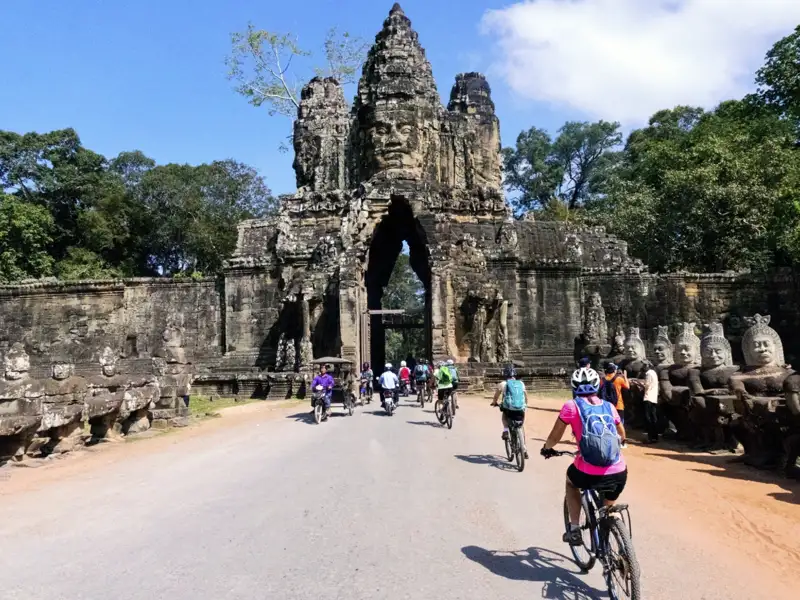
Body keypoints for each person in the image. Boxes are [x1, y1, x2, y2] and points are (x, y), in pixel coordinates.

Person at [541, 366, 627, 546]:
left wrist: (547, 448)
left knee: (571, 482)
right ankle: (621, 545)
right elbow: (622, 434)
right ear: (597, 385)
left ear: (574, 386)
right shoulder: (609, 406)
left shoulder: (571, 407)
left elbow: (555, 437)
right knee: (609, 507)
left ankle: (574, 529)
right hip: (618, 471)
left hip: (587, 472)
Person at [490, 364, 529, 458]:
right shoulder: (521, 383)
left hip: (509, 409)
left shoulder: (503, 384)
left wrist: (494, 403)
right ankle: (524, 449)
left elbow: (496, 396)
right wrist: (525, 404)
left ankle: (506, 430)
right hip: (520, 409)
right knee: (521, 426)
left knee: (504, 416)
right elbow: (526, 396)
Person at [600, 363, 630, 447]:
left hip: (606, 406)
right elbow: (627, 387)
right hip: (618, 405)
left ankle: (609, 441)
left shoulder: (602, 379)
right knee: (620, 424)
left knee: (607, 423)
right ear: (614, 370)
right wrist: (625, 377)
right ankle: (622, 442)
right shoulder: (619, 379)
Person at [642, 362, 659, 443]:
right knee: (653, 417)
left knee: (648, 418)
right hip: (654, 398)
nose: (643, 367)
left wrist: (639, 383)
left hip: (648, 397)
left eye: (644, 365)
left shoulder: (648, 373)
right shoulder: (654, 373)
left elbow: (647, 385)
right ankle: (655, 437)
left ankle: (650, 437)